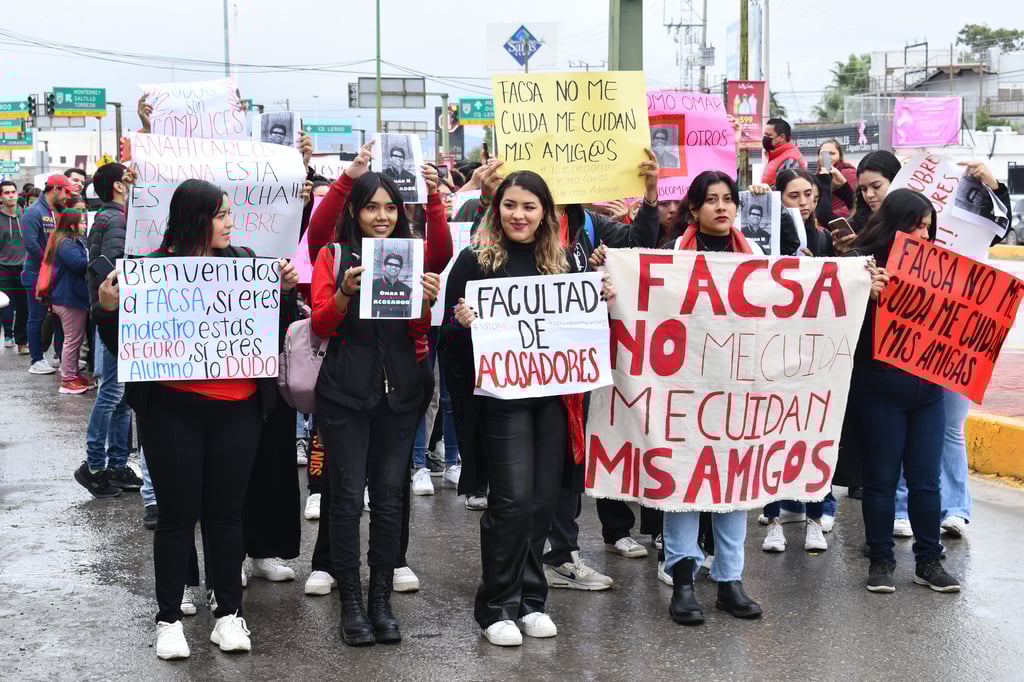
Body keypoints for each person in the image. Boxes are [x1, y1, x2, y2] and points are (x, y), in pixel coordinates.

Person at [95, 178, 301, 660]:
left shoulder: (246, 265)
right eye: (222, 214)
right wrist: (107, 309)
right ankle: (169, 620)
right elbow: (123, 346)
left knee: (226, 516)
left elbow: (269, 333)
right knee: (176, 517)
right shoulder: (151, 271)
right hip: (172, 411)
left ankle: (229, 615)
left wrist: (284, 295)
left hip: (238, 410)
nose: (232, 222)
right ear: (195, 219)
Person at [310, 162, 440, 646]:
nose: (381, 217)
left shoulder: (410, 255)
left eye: (389, 207)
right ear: (356, 211)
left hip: (401, 394)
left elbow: (419, 332)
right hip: (344, 394)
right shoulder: (334, 254)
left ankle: (381, 599)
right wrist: (344, 292)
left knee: (390, 498)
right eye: (371, 207)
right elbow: (321, 326)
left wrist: (427, 301)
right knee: (344, 500)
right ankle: (352, 602)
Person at [660, 170, 763, 626]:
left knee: (732, 484)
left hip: (734, 389)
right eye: (712, 200)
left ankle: (729, 581)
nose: (722, 207)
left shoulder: (755, 255)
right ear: (695, 209)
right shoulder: (671, 255)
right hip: (680, 387)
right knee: (682, 483)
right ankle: (683, 580)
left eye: (729, 199)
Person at [846, 188, 960, 595]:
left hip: (928, 390)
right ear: (897, 224)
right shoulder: (861, 265)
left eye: (930, 228)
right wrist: (862, 293)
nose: (926, 236)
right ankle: (881, 559)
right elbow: (834, 319)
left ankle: (929, 561)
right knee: (881, 478)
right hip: (879, 387)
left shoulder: (940, 268)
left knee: (926, 480)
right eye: (919, 226)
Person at [77, 162, 143, 498]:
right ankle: (94, 466)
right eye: (129, 179)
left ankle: (115, 464)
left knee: (119, 397)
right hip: (113, 315)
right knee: (113, 394)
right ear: (119, 186)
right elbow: (117, 271)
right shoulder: (116, 219)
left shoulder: (105, 216)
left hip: (109, 314)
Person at [22, 174, 75, 375]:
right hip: (37, 273)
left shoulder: (59, 210)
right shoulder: (33, 211)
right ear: (55, 189)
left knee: (58, 318)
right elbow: (31, 244)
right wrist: (52, 261)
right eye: (66, 191)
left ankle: (62, 358)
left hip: (55, 273)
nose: (68, 196)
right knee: (36, 317)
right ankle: (36, 359)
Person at [43, 201, 91, 395]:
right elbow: (79, 264)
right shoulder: (65, 244)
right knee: (72, 340)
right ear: (72, 225)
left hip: (70, 297)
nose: (84, 225)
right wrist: (92, 257)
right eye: (81, 222)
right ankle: (68, 379)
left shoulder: (68, 241)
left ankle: (72, 375)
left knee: (74, 339)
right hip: (67, 298)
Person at [0, 180, 28, 354]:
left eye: (13, 192)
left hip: (23, 267)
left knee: (24, 306)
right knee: (4, 305)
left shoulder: (25, 215)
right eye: (7, 192)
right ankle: (8, 335)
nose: (11, 195)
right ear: (1, 197)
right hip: (2, 267)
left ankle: (22, 342)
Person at [760, 117, 806, 186]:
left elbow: (786, 188)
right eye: (765, 135)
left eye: (769, 135)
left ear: (782, 137)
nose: (765, 138)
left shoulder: (790, 158)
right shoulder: (777, 155)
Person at [818, 139, 857, 217]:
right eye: (823, 153)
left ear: (840, 156)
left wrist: (831, 215)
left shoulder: (849, 173)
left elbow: (856, 202)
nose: (827, 157)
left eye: (832, 153)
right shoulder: (818, 176)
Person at [371, 252, 413, 318]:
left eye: (397, 265)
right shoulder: (373, 285)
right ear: (384, 266)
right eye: (390, 264)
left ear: (400, 269)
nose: (393, 267)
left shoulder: (406, 289)